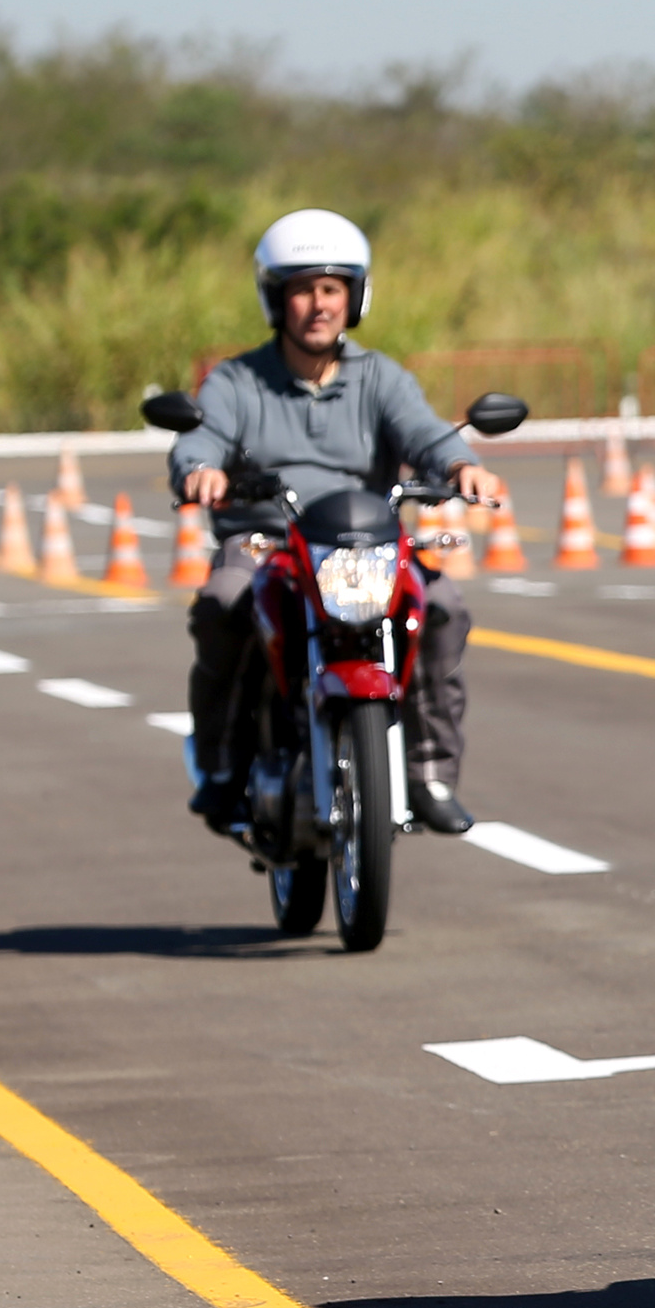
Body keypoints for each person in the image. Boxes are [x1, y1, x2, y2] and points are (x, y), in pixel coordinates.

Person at [171, 208, 496, 840]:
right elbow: (201, 436)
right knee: (221, 602)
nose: (318, 305)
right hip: (268, 540)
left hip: (367, 544)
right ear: (275, 299)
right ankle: (220, 768)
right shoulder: (237, 381)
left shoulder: (380, 377)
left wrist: (460, 463)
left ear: (354, 297)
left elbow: (425, 432)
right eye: (301, 290)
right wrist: (200, 469)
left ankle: (430, 774)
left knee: (445, 607)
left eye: (331, 289)